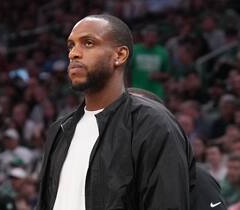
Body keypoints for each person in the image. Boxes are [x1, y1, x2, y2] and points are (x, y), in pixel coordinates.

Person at [35, 14, 195, 210]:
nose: (73, 54)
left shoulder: (154, 125)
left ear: (119, 56)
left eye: (88, 43)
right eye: (71, 46)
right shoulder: (59, 130)